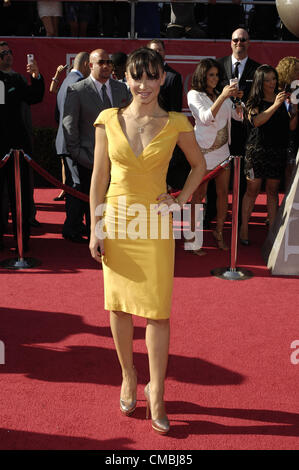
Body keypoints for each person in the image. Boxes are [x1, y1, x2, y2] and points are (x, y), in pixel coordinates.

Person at [89, 48, 206, 434]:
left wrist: (181, 199)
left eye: (152, 77)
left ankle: (157, 391)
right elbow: (99, 179)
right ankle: (128, 375)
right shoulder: (108, 120)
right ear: (126, 78)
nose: (144, 85)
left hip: (154, 223)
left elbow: (199, 165)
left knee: (157, 311)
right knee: (119, 306)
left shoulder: (176, 123)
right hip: (119, 222)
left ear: (162, 80)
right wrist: (96, 226)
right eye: (137, 77)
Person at [63, 49, 130, 238]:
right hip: (89, 160)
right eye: (101, 62)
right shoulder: (77, 90)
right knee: (91, 204)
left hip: (118, 160)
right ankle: (96, 237)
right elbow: (70, 126)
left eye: (109, 62)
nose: (107, 66)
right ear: (90, 65)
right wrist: (79, 155)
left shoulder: (121, 89)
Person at [187, 58, 243, 253]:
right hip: (203, 153)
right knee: (198, 195)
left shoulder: (222, 94)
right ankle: (193, 237)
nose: (215, 78)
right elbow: (205, 118)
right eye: (211, 75)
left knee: (222, 195)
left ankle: (218, 232)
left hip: (223, 152)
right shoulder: (194, 95)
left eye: (217, 75)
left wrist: (237, 101)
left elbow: (238, 117)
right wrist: (223, 97)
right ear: (202, 76)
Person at [239, 65, 298, 245]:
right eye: (267, 80)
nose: (272, 83)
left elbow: (291, 127)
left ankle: (272, 231)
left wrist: (294, 111)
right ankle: (244, 228)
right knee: (252, 190)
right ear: (260, 82)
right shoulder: (253, 101)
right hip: (256, 152)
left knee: (272, 192)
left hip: (277, 151)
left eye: (274, 79)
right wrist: (276, 105)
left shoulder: (282, 98)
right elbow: (256, 121)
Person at [0, 41, 44, 252]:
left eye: (8, 52)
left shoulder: (17, 78)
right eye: (2, 54)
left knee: (21, 197)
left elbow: (34, 97)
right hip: (2, 150)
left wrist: (35, 77)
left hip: (18, 149)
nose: (7, 56)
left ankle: (22, 240)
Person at [56, 52, 90, 243]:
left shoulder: (66, 81)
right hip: (73, 145)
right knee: (76, 187)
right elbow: (72, 119)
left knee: (73, 186)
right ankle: (72, 228)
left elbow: (57, 115)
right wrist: (76, 147)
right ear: (85, 64)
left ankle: (75, 224)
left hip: (68, 143)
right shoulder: (76, 84)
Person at [147, 39, 188, 190]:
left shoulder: (173, 76)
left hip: (164, 133)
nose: (157, 53)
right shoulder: (143, 76)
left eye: (160, 50)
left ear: (165, 53)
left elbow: (175, 109)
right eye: (153, 50)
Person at [276, 57, 299, 191]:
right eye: (296, 70)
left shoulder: (297, 91)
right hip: (273, 139)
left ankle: (288, 207)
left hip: (291, 140)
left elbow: (293, 126)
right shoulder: (274, 90)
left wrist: (295, 108)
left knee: (290, 173)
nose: (298, 73)